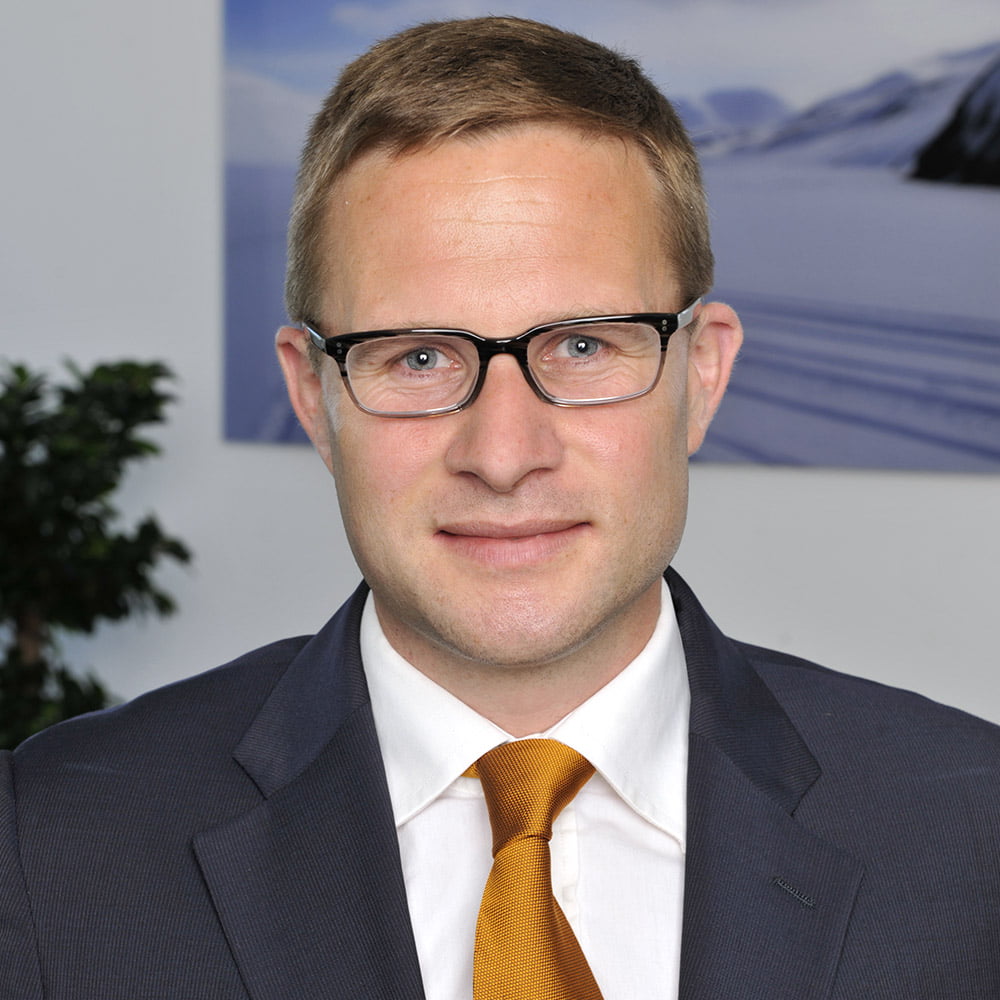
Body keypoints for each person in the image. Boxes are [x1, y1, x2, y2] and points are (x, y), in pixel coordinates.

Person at [2, 16, 999, 1000]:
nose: (504, 455)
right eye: (418, 357)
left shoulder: (974, 833)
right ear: (314, 395)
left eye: (583, 346)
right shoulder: (45, 850)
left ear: (702, 373)